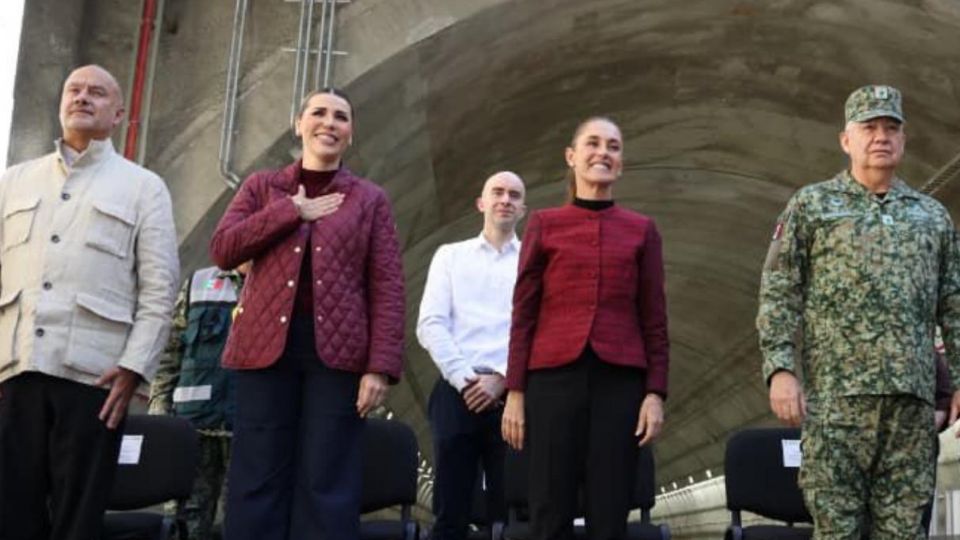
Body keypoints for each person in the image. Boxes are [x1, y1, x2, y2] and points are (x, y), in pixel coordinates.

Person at [757, 85, 960, 539]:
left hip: (910, 410)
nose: (881, 136)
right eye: (869, 127)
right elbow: (778, 291)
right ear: (846, 140)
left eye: (891, 128)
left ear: (904, 141)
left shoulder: (931, 217)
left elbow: (954, 303)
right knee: (837, 531)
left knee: (905, 531)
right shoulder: (811, 207)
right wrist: (781, 368)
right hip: (836, 406)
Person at [209, 88, 405, 540]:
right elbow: (223, 249)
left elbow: (387, 285)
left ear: (351, 134)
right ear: (299, 124)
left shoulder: (369, 199)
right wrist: (290, 211)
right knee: (257, 473)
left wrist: (380, 366)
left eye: (340, 117)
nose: (329, 123)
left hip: (336, 357)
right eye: (318, 113)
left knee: (327, 478)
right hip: (264, 351)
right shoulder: (262, 187)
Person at [0, 64, 179, 540]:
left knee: (78, 520)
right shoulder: (14, 182)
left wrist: (134, 367)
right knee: (11, 514)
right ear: (61, 103)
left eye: (96, 93)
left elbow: (160, 289)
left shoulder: (143, 187)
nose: (82, 98)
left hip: (94, 380)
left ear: (118, 113)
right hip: (15, 375)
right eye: (74, 90)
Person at [501, 117, 670, 540]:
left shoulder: (641, 230)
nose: (603, 153)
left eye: (613, 147)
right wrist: (515, 393)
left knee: (610, 506)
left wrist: (654, 393)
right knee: (548, 504)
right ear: (571, 157)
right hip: (552, 380)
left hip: (620, 382)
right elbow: (524, 313)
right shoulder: (545, 223)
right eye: (593, 144)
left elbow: (654, 317)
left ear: (621, 164)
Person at [417, 171, 526, 540]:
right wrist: (466, 379)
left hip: (514, 397)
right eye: (497, 192)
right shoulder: (450, 257)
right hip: (455, 392)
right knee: (451, 511)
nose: (505, 199)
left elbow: (543, 330)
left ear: (523, 208)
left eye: (514, 195)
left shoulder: (534, 263)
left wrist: (505, 378)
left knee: (511, 513)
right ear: (481, 203)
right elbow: (430, 324)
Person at [149, 262, 249, 539]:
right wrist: (161, 421)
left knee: (244, 520)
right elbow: (169, 354)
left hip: (248, 433)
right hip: (192, 431)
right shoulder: (198, 283)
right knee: (184, 523)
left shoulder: (278, 282)